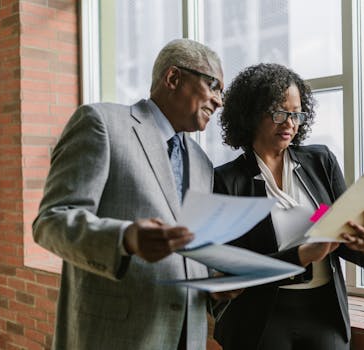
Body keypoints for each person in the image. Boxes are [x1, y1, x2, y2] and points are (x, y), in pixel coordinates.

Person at [32, 38, 228, 350]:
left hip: (185, 337)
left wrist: (216, 282)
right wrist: (125, 238)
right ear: (173, 78)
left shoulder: (203, 164)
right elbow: (51, 222)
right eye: (214, 85)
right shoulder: (101, 123)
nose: (219, 101)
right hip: (113, 336)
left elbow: (189, 250)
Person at [213, 63, 364, 350]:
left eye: (296, 114)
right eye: (279, 112)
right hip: (261, 317)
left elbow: (340, 238)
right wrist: (301, 255)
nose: (290, 123)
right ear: (251, 114)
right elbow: (235, 272)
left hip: (323, 312)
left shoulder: (320, 162)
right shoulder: (226, 181)